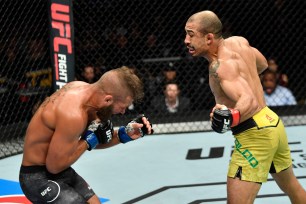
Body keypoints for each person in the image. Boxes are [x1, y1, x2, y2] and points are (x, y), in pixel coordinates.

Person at [184, 10, 306, 203]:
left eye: (191, 34)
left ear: (208, 38)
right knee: (293, 188)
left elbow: (248, 99)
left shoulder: (219, 67)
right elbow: (263, 64)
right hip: (272, 123)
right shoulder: (238, 42)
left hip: (255, 136)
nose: (186, 40)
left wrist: (230, 116)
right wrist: (241, 84)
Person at [19, 66, 153, 203]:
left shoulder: (83, 91)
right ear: (108, 99)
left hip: (60, 168)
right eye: (122, 106)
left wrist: (124, 134)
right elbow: (54, 166)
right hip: (36, 177)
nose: (123, 112)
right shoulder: (73, 115)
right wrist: (89, 141)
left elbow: (95, 137)